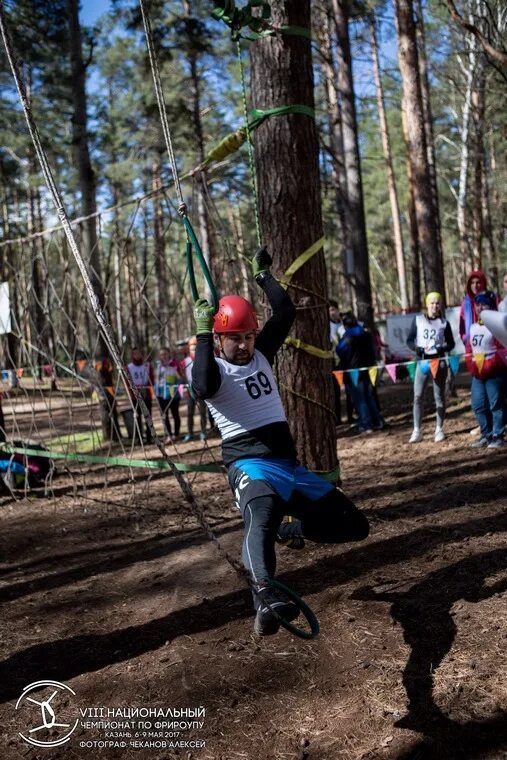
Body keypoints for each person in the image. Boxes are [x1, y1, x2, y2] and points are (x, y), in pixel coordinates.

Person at [192, 248, 369, 636]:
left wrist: (264, 278)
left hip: (290, 466)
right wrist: (204, 333)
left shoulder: (261, 355)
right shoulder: (214, 368)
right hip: (249, 465)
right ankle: (266, 600)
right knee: (261, 520)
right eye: (234, 338)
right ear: (219, 339)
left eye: (249, 336)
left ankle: (293, 531)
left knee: (354, 526)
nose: (244, 345)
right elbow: (201, 386)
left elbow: (285, 313)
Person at [406, 292, 455, 443]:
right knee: (417, 396)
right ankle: (416, 430)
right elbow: (409, 340)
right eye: (432, 303)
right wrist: (417, 349)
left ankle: (439, 429)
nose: (434, 306)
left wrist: (442, 348)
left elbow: (451, 343)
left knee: (439, 397)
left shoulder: (444, 323)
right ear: (427, 305)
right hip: (422, 362)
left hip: (438, 363)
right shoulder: (418, 320)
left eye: (437, 303)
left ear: (440, 305)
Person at [466, 291, 506, 449]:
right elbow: (469, 349)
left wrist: (490, 364)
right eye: (478, 304)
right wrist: (472, 366)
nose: (480, 307)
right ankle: (486, 434)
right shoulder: (473, 327)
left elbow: (502, 349)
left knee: (496, 405)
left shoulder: (496, 326)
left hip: (494, 373)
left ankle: (498, 435)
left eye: (484, 304)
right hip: (478, 373)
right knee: (478, 405)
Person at [336, 313, 382, 433]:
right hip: (368, 369)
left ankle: (366, 424)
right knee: (369, 396)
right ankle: (377, 421)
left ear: (345, 325)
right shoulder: (366, 333)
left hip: (354, 372)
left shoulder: (347, 337)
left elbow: (339, 351)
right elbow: (373, 350)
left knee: (359, 399)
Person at [181, 335, 208, 442]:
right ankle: (190, 433)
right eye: (192, 348)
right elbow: (183, 376)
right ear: (189, 349)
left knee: (202, 412)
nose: (194, 350)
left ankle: (203, 432)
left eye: (196, 348)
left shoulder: (203, 359)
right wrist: (185, 387)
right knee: (190, 412)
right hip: (190, 389)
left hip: (201, 389)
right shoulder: (185, 362)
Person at [126, 347, 154, 444]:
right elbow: (127, 381)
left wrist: (149, 390)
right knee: (137, 416)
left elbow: (151, 379)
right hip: (135, 394)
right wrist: (132, 392)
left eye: (139, 353)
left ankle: (150, 437)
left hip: (146, 393)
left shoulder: (147, 365)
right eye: (135, 354)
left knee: (148, 415)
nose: (137, 355)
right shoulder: (129, 367)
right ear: (132, 355)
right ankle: (139, 438)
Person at [155, 346, 182, 444]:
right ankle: (169, 435)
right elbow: (155, 378)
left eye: (165, 354)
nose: (164, 356)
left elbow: (180, 377)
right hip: (161, 393)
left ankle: (176, 434)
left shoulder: (174, 364)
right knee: (164, 415)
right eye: (161, 355)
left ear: (169, 354)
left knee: (175, 414)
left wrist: (174, 368)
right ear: (159, 356)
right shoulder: (157, 366)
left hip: (173, 392)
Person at [459, 270, 487, 344]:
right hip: (471, 344)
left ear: (483, 283)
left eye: (478, 282)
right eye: (472, 283)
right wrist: (466, 339)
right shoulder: (465, 303)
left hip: (489, 343)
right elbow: (462, 328)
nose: (475, 286)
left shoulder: (491, 299)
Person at [329, 300, 345, 425]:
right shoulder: (327, 326)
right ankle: (337, 417)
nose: (332, 312)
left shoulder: (345, 324)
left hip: (349, 361)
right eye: (329, 310)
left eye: (333, 309)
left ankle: (352, 415)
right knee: (336, 391)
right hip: (334, 362)